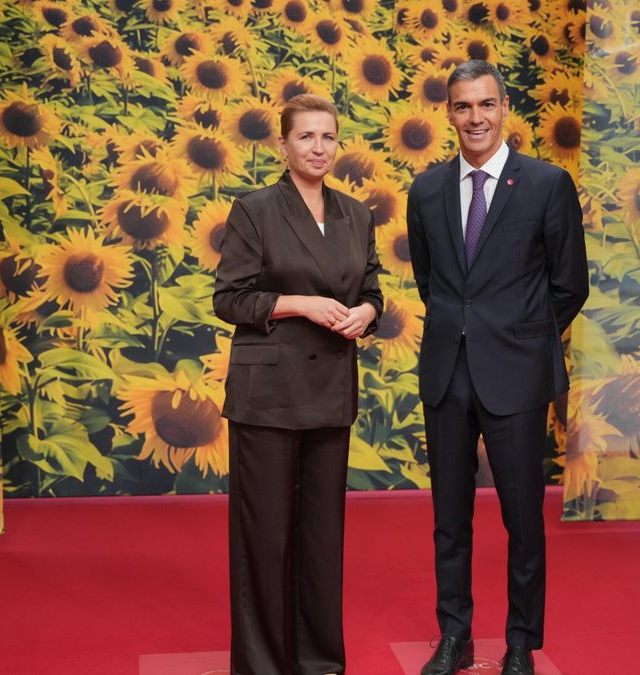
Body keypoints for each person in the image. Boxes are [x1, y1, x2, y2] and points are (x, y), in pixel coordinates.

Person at [405, 61, 590, 675]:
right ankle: (453, 636)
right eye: (462, 107)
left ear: (505, 107)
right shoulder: (427, 190)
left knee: (521, 519)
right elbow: (433, 282)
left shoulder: (545, 184)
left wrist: (519, 336)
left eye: (486, 105)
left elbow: (570, 285)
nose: (475, 118)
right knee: (448, 519)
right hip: (447, 374)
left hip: (518, 375)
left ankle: (519, 644)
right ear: (448, 114)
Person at [213, 94, 384, 675]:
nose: (319, 148)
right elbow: (229, 299)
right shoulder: (255, 210)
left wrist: (367, 313)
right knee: (264, 540)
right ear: (282, 145)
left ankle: (318, 664)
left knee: (320, 543)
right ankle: (262, 666)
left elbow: (374, 291)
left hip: (331, 394)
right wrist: (299, 305)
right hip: (268, 396)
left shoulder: (357, 215)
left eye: (328, 137)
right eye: (306, 137)